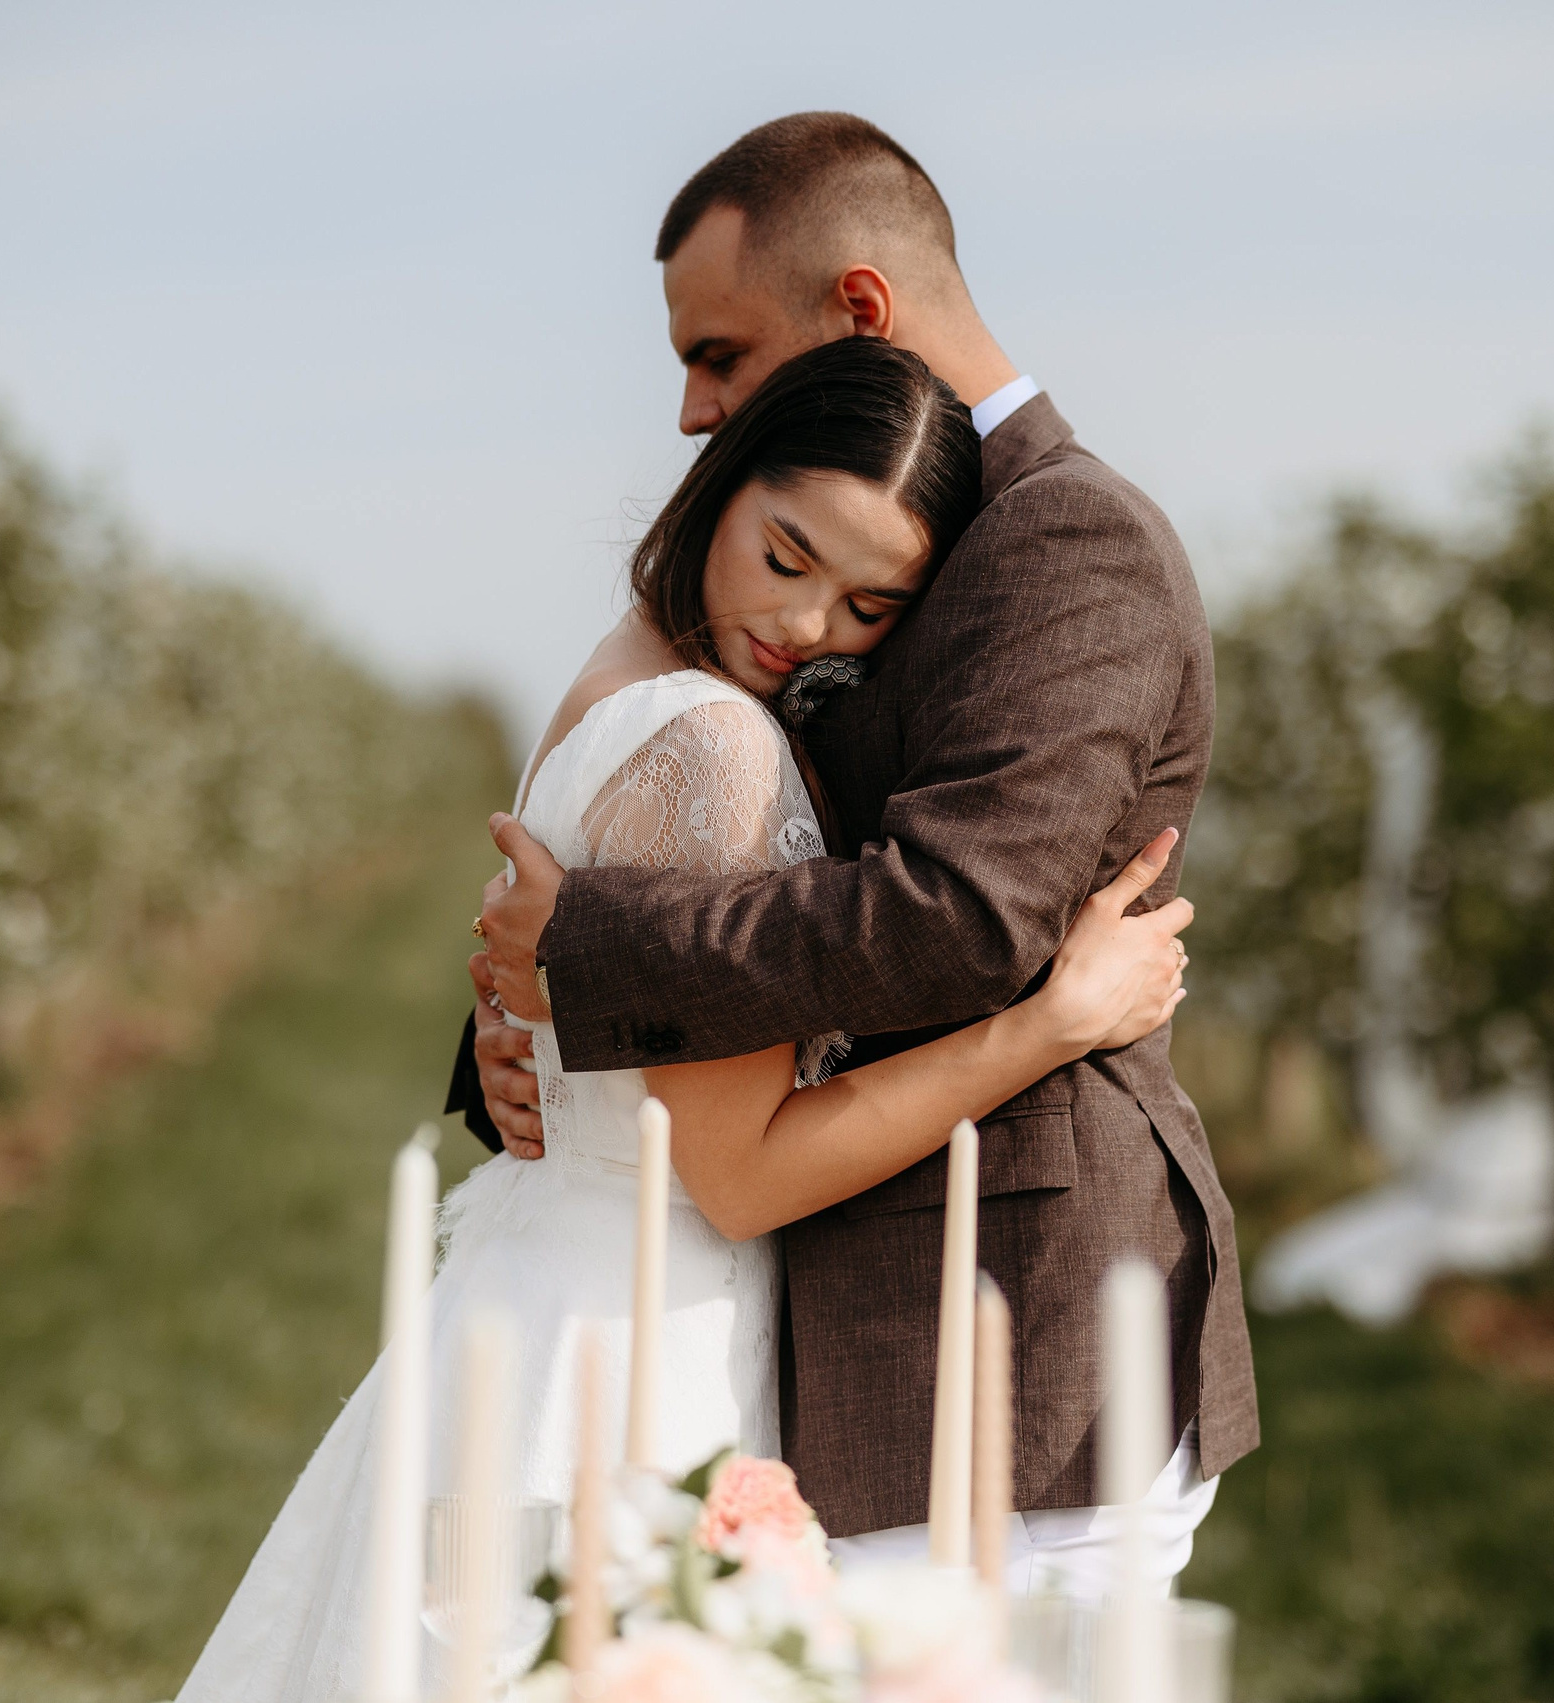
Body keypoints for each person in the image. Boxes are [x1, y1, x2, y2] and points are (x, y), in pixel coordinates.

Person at [177, 337, 1192, 1702]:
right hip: (632, 1350)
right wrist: (1050, 1024)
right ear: (722, 488)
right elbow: (742, 1171)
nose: (809, 625)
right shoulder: (713, 744)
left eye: (870, 604)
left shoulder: (616, 668)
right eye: (786, 557)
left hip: (532, 1300)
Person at [461, 112, 1258, 1597]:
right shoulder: (884, 542)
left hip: (1010, 1340)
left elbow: (964, 916)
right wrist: (530, 1028)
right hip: (835, 1305)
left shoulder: (1068, 541)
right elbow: (702, 839)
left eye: (719, 352)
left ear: (861, 313)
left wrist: (587, 957)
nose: (696, 410)